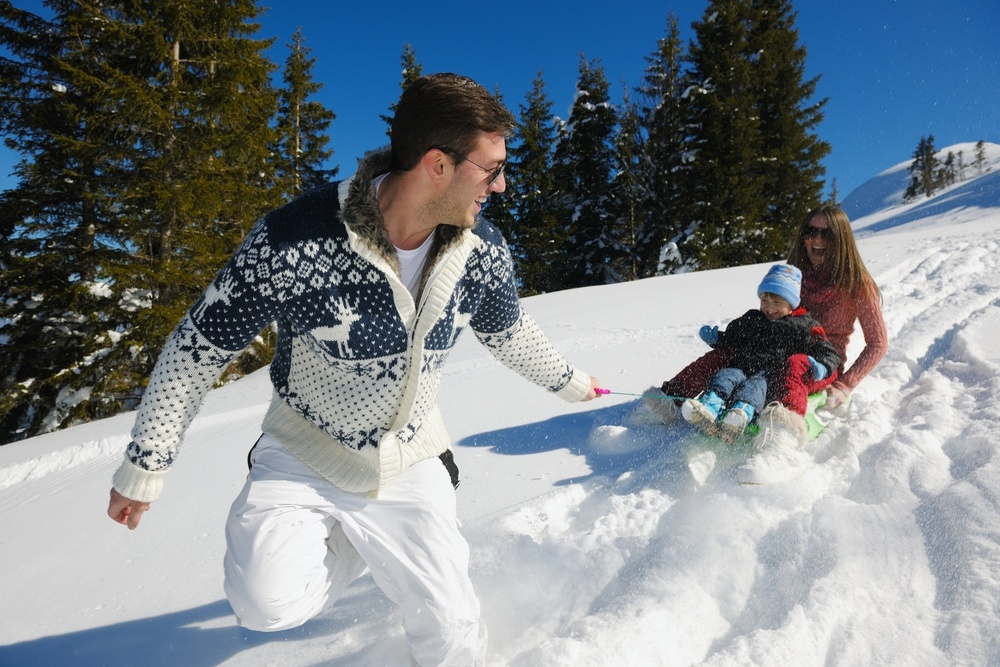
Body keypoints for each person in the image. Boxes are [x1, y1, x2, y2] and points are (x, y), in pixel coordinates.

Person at [106, 73, 601, 666]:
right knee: (265, 605)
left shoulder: (482, 250)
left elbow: (508, 329)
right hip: (303, 447)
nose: (501, 184)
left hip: (410, 454)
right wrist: (146, 464)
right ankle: (355, 544)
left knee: (451, 633)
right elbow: (196, 350)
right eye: (491, 168)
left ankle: (383, 536)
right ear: (437, 164)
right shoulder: (294, 239)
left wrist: (574, 385)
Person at [649, 204, 887, 483]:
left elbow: (878, 343)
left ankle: (778, 447)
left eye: (827, 233)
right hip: (770, 354)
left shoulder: (857, 283)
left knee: (795, 363)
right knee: (726, 354)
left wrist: (845, 385)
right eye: (811, 231)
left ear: (841, 238)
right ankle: (665, 403)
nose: (817, 240)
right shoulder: (794, 274)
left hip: (818, 362)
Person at [680, 264, 841, 443]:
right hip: (742, 365)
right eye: (765, 301)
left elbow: (828, 351)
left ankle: (740, 416)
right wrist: (717, 338)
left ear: (791, 305)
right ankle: (709, 407)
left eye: (777, 302)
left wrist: (822, 366)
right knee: (724, 376)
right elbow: (733, 338)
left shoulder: (803, 326)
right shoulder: (752, 318)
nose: (769, 308)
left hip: (769, 374)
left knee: (754, 387)